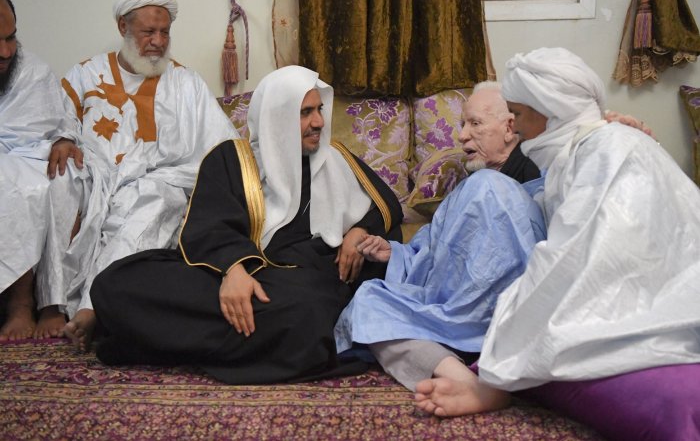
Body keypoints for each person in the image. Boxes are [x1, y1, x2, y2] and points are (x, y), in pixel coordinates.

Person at [414, 48, 700, 437]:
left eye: (517, 110)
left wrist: (495, 373)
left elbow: (576, 260)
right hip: (645, 290)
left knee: (561, 356)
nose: (512, 122)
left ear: (550, 109)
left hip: (663, 298)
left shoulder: (606, 149)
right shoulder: (578, 150)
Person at [89, 65, 403, 385]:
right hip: (232, 277)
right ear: (275, 118)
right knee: (116, 281)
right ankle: (250, 344)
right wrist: (234, 270)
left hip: (301, 289)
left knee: (306, 315)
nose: (319, 122)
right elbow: (208, 223)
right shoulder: (232, 158)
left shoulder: (337, 159)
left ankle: (153, 342)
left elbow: (385, 210)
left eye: (319, 110)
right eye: (305, 112)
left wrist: (358, 231)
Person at [37, 0, 240, 351]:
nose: (158, 42)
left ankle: (92, 308)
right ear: (123, 28)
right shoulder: (86, 74)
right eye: (148, 32)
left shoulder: (186, 83)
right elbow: (57, 120)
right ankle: (52, 304)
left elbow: (222, 147)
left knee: (149, 204)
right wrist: (63, 139)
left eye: (165, 32)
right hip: (96, 177)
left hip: (160, 181)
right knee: (60, 179)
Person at [334, 82, 546, 393]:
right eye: (462, 124)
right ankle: (465, 381)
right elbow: (438, 251)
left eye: (475, 123)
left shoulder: (537, 176)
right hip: (449, 309)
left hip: (505, 316)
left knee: (486, 184)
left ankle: (459, 361)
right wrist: (396, 254)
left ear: (510, 128)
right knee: (368, 301)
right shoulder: (467, 185)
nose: (461, 136)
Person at [0, 0, 83, 341]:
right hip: (14, 168)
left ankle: (53, 303)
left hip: (35, 156)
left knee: (65, 176)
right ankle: (18, 303)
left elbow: (62, 118)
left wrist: (65, 138)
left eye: (11, 38)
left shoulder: (32, 70)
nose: (6, 52)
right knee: (9, 180)